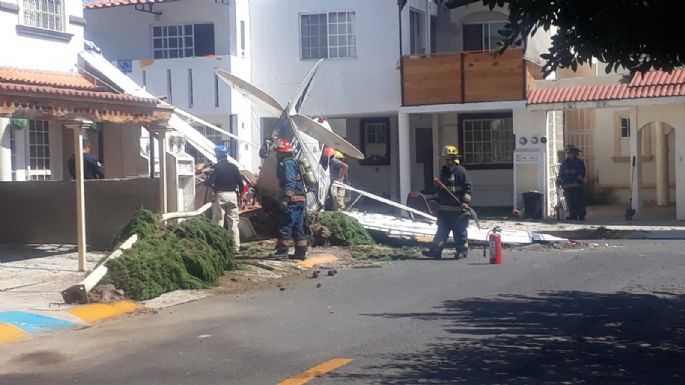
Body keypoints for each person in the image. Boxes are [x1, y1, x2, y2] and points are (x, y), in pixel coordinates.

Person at [422, 145, 472, 260]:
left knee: (459, 232)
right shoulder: (444, 172)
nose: (446, 161)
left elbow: (468, 189)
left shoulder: (461, 172)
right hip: (444, 211)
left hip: (458, 211)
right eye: (445, 159)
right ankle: (435, 251)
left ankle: (461, 251)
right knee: (441, 232)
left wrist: (465, 201)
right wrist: (436, 197)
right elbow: (440, 190)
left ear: (454, 159)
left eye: (448, 159)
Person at [274, 138, 308, 260]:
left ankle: (282, 253)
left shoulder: (287, 163)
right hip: (300, 199)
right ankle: (301, 252)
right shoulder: (293, 162)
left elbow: (290, 181)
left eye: (278, 151)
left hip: (292, 200)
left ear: (282, 152)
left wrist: (286, 197)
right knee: (298, 226)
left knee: (286, 225)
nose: (276, 154)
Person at [205, 145, 243, 251]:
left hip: (221, 195)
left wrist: (205, 180)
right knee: (234, 222)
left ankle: (218, 247)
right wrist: (240, 195)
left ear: (217, 155)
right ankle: (236, 247)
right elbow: (241, 184)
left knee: (218, 221)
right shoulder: (234, 167)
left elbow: (210, 182)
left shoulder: (216, 167)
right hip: (233, 196)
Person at [558, 144, 587, 220]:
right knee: (570, 202)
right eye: (569, 153)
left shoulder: (579, 162)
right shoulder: (564, 163)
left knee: (579, 201)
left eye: (572, 153)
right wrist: (560, 180)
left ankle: (581, 215)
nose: (570, 155)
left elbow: (581, 173)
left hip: (577, 186)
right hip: (567, 186)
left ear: (575, 153)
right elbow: (561, 173)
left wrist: (578, 181)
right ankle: (572, 215)